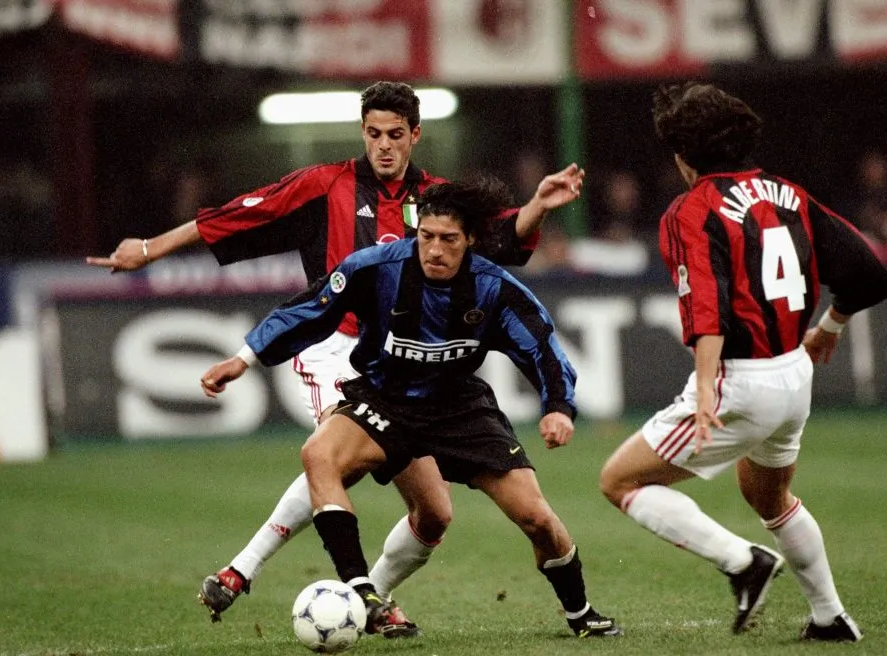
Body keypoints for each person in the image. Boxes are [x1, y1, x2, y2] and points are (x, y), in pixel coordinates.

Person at [85, 81, 586, 634]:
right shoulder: (324, 185)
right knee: (330, 452)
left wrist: (537, 206)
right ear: (362, 134)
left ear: (415, 135)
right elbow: (233, 217)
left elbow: (502, 240)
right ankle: (247, 572)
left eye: (396, 135)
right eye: (374, 134)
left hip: (403, 364)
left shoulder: (440, 201)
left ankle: (372, 598)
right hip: (332, 344)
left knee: (435, 513)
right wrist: (151, 248)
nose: (385, 146)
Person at [200, 179, 622, 639]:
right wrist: (243, 359)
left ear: (472, 241)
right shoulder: (377, 268)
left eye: (449, 240)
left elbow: (541, 347)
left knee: (536, 517)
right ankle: (361, 591)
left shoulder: (494, 289)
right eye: (426, 236)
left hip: (458, 408)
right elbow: (310, 309)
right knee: (319, 454)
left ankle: (580, 613)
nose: (434, 250)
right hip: (386, 398)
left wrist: (558, 407)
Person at [598, 82, 887, 642]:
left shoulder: (690, 209)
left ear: (683, 156)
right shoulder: (787, 193)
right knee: (769, 496)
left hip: (741, 380)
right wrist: (830, 326)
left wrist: (707, 387)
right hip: (793, 373)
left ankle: (743, 563)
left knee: (619, 480)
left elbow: (705, 308)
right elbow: (869, 275)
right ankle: (830, 617)